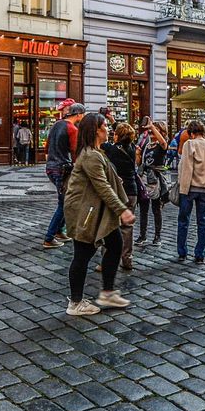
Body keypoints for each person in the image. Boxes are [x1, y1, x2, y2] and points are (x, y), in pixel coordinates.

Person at [64, 113, 136, 316]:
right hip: (85, 214)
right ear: (96, 130)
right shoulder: (91, 155)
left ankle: (107, 291)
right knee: (82, 255)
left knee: (115, 245)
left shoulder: (97, 152)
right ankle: (75, 303)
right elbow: (102, 186)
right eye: (105, 125)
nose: (108, 129)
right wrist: (122, 210)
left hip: (96, 212)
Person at [42, 100, 84, 249]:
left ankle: (60, 231)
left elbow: (46, 147)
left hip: (51, 167)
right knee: (64, 203)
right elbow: (75, 151)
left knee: (67, 200)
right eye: (82, 116)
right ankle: (49, 237)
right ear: (78, 115)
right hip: (63, 169)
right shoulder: (72, 128)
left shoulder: (56, 124)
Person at [176, 119, 205, 264]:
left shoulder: (190, 144)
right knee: (203, 222)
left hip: (190, 187)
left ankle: (182, 252)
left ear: (191, 133)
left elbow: (186, 166)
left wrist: (182, 186)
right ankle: (200, 254)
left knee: (183, 221)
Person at [102, 122, 140, 271]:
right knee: (127, 228)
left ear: (116, 135)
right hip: (131, 191)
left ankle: (107, 260)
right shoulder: (132, 149)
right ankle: (127, 259)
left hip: (116, 191)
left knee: (109, 226)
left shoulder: (110, 149)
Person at [135, 121, 169, 246]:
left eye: (155, 129)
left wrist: (152, 127)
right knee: (143, 208)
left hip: (155, 179)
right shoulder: (147, 145)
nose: (151, 131)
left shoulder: (161, 145)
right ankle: (142, 235)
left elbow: (164, 143)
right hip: (145, 177)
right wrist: (138, 154)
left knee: (156, 208)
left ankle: (157, 236)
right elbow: (139, 163)